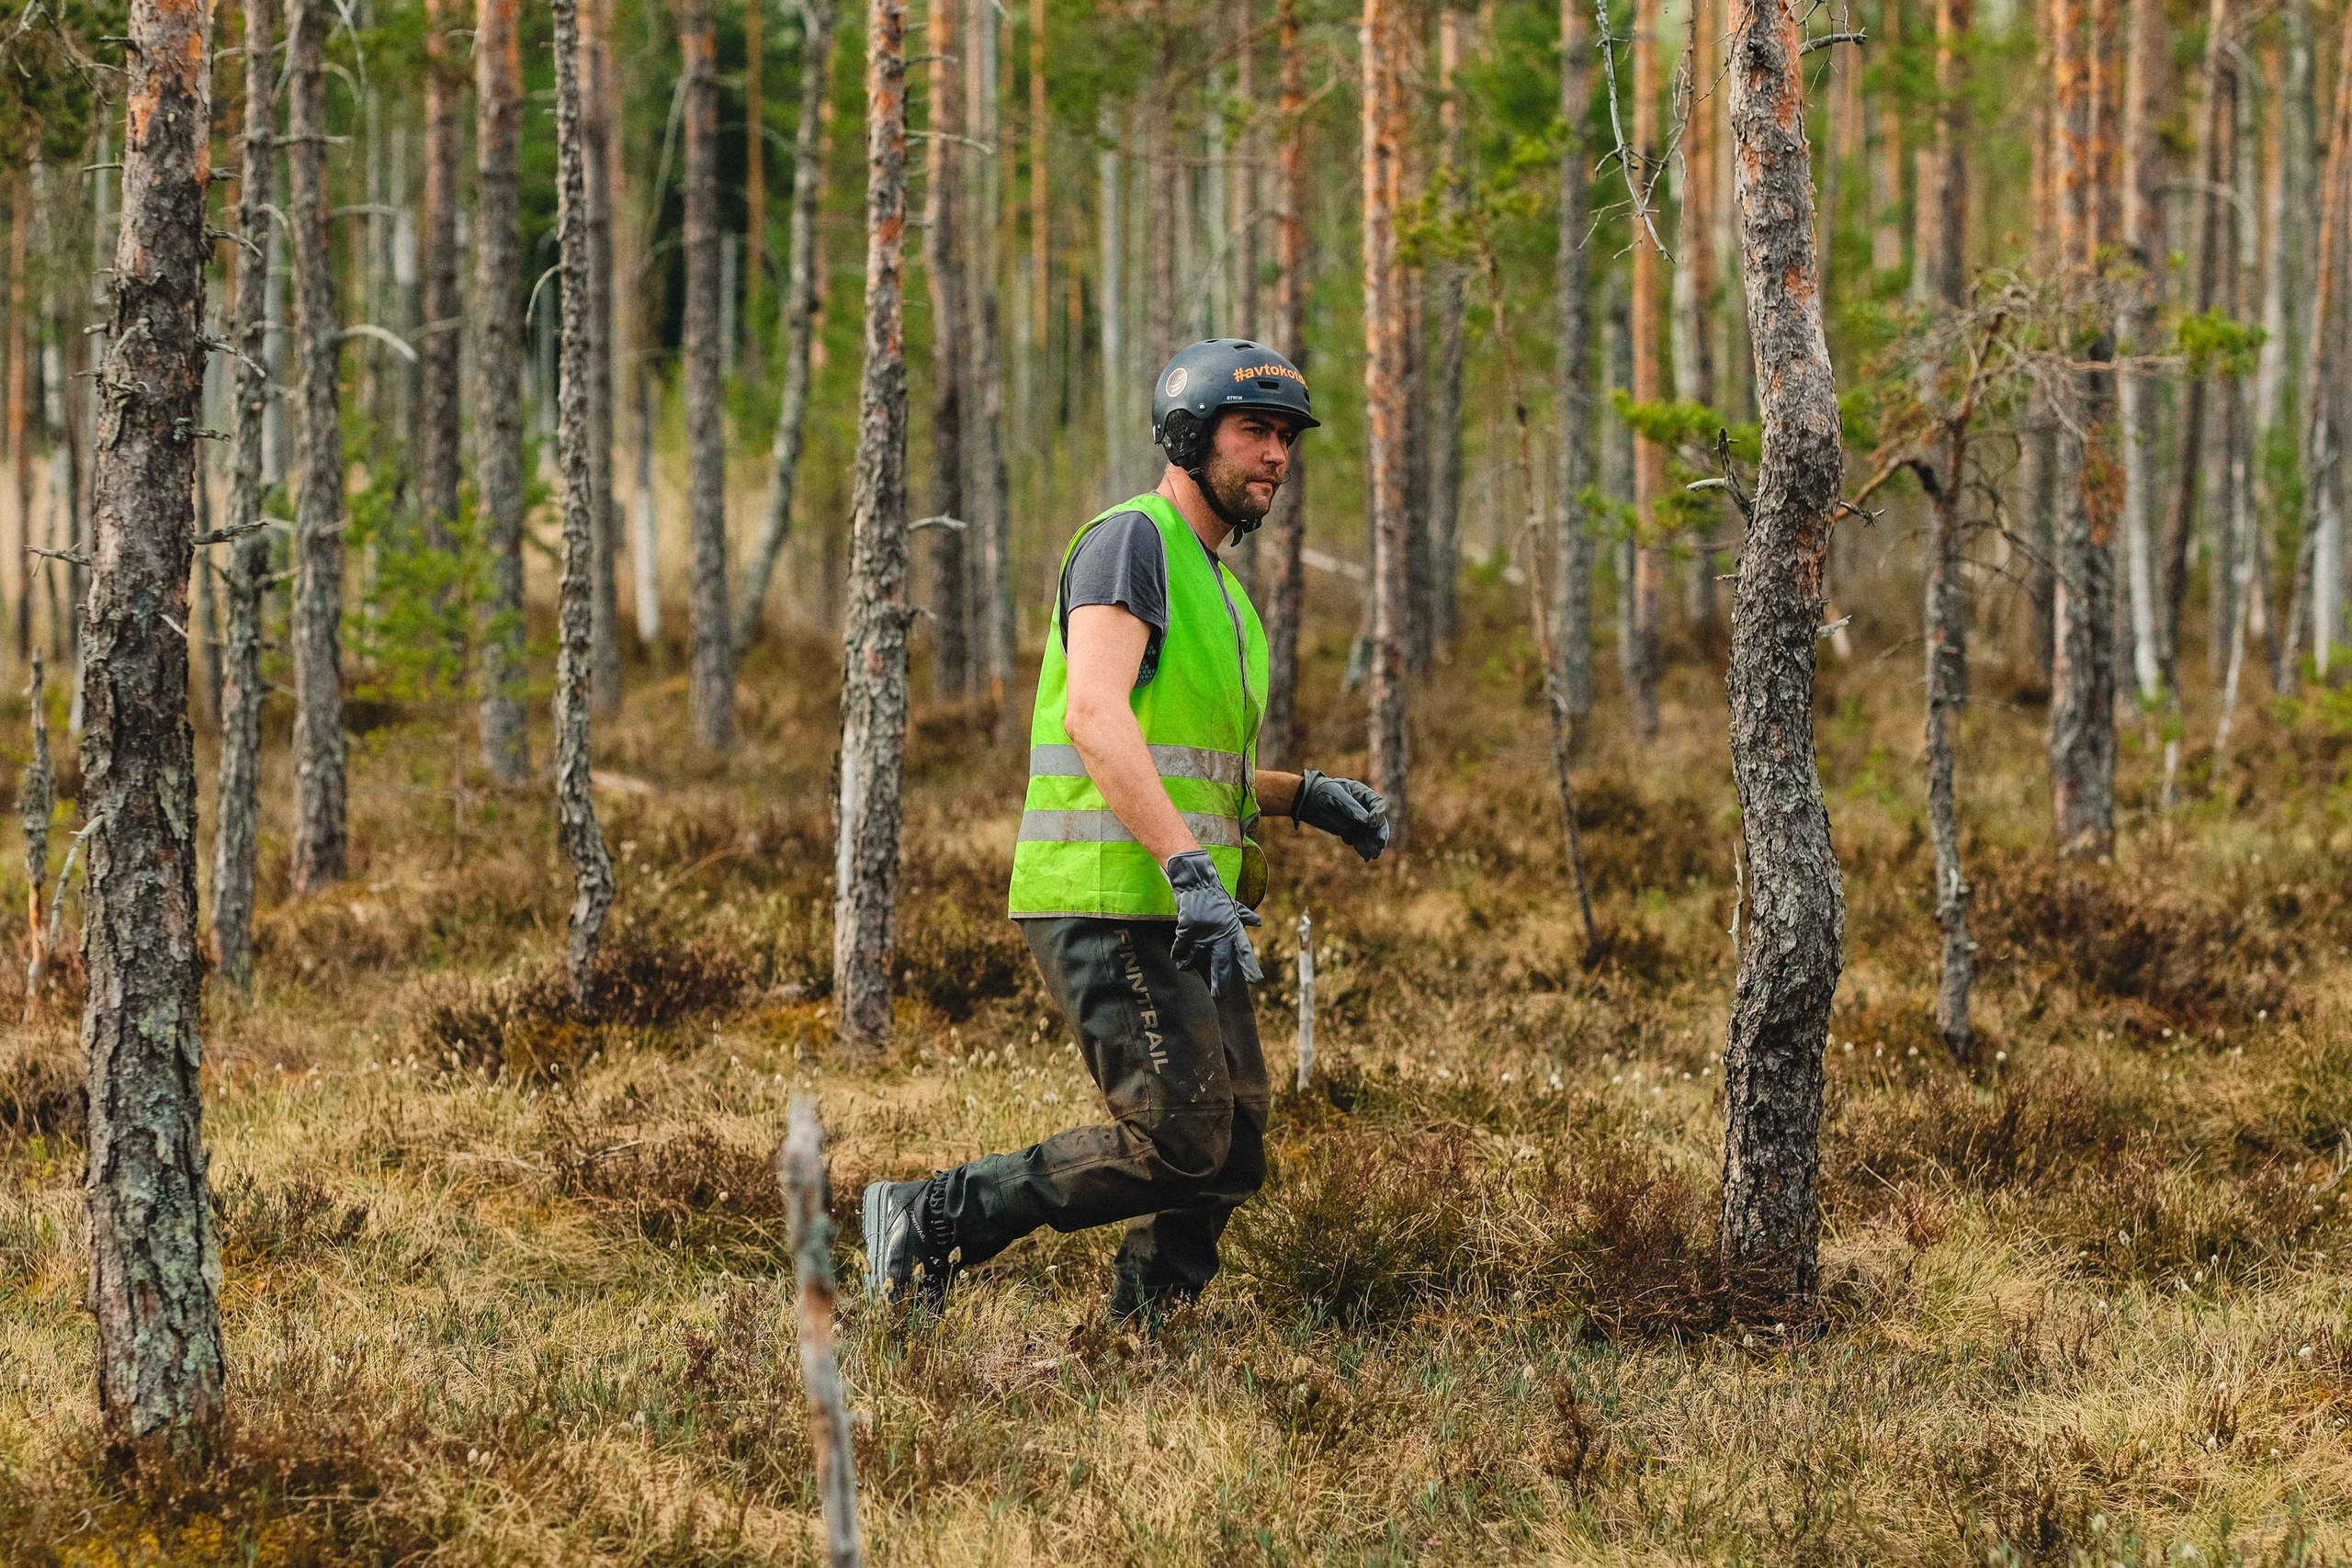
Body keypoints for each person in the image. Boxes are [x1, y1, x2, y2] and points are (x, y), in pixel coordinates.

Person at [864, 339, 1390, 1324]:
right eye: (1253, 432)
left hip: (1181, 899)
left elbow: (1183, 766)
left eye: (1285, 437)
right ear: (1191, 438)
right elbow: (1096, 718)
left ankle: (1144, 1330)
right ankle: (930, 1218)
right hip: (1109, 895)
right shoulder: (1129, 542)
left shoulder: (1223, 592)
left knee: (1232, 1142)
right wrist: (1191, 871)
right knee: (1181, 1138)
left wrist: (1300, 795)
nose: (1274, 455)